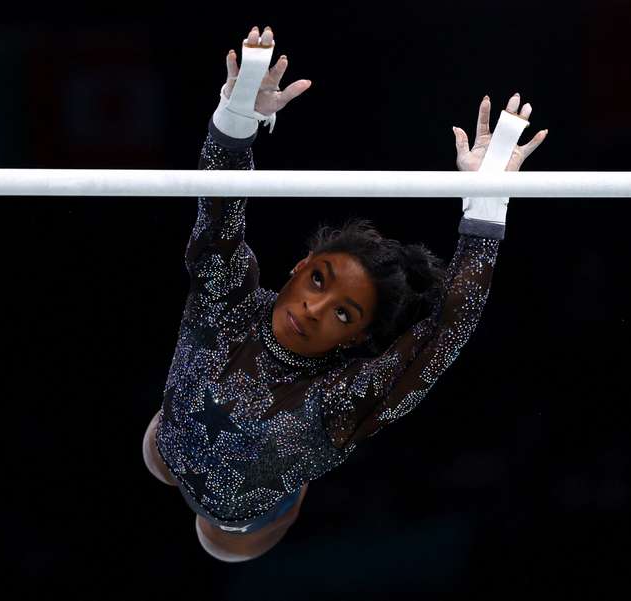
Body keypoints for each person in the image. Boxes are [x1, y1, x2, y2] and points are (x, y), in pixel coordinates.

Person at [141, 25, 548, 562]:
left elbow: (445, 332)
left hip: (235, 516)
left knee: (214, 544)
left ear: (358, 337)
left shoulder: (340, 398)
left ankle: (286, 489)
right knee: (158, 458)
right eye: (318, 280)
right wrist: (236, 120)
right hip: (171, 441)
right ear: (299, 266)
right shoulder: (229, 307)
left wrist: (486, 204)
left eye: (343, 313)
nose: (313, 309)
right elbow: (218, 213)